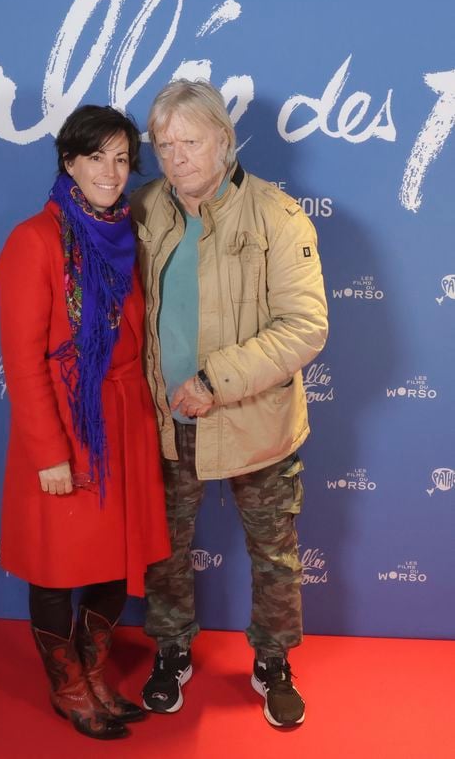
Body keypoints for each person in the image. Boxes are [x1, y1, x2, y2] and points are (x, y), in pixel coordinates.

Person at [130, 80, 328, 728]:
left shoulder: (277, 214)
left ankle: (274, 662)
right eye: (164, 144)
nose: (177, 156)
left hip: (254, 420)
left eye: (190, 141)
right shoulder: (145, 209)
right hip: (166, 421)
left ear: (223, 139)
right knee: (164, 548)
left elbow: (305, 326)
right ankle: (171, 648)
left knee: (273, 552)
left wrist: (216, 380)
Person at [0, 105, 170, 741]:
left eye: (123, 159)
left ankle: (95, 673)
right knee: (58, 564)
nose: (111, 171)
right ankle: (68, 687)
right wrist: (49, 451)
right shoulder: (33, 240)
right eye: (97, 156)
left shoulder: (128, 232)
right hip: (68, 425)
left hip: (125, 419)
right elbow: (22, 359)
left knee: (111, 558)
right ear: (68, 161)